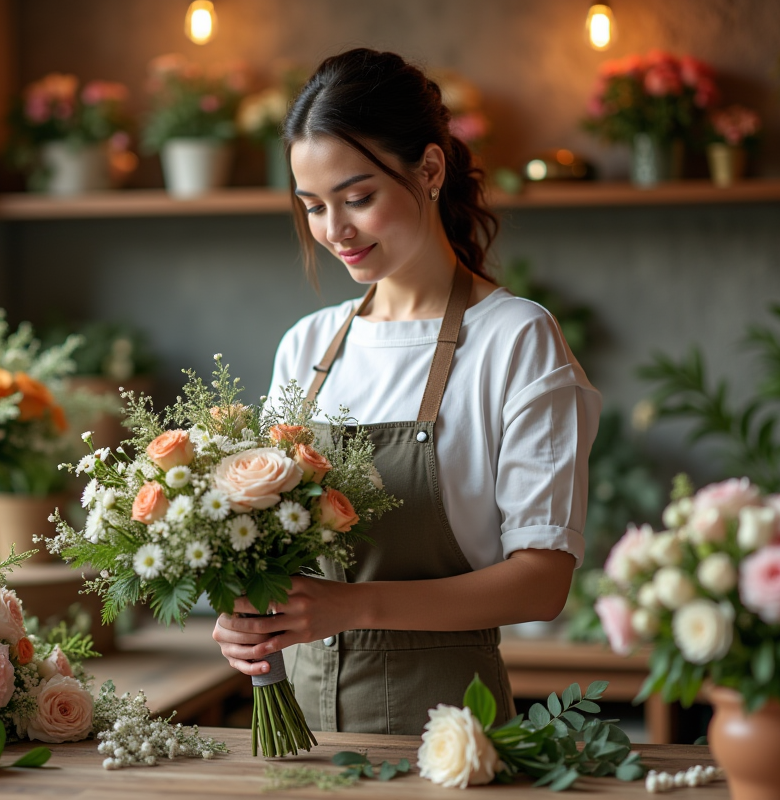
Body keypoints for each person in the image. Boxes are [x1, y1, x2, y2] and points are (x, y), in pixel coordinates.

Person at [212, 48, 601, 735]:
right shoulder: (308, 346)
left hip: (449, 736)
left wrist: (354, 607)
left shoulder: (515, 339)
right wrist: (245, 617)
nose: (336, 231)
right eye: (313, 206)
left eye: (358, 198)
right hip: (295, 732)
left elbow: (544, 582)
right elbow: (272, 551)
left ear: (429, 168)